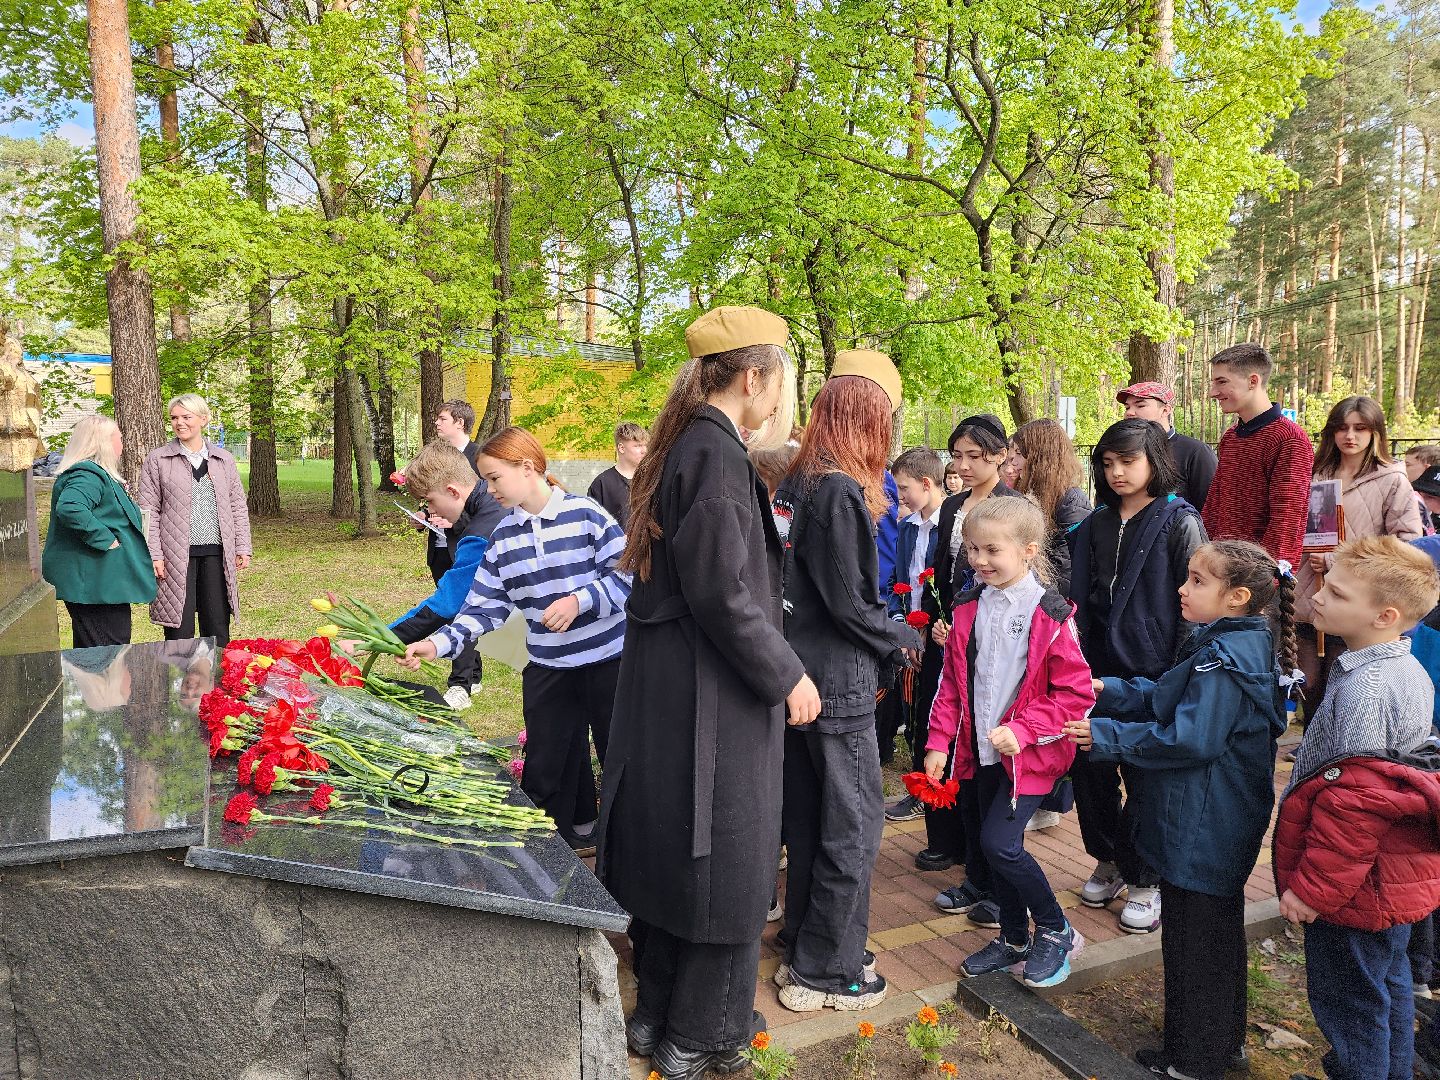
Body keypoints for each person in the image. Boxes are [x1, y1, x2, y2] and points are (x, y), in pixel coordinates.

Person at [595, 307, 818, 1079]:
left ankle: (657, 1017)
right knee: (726, 855)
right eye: (781, 380)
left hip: (669, 684)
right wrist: (787, 674)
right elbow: (726, 595)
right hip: (711, 695)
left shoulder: (686, 446)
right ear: (755, 378)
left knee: (673, 854)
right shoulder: (719, 461)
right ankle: (703, 1035)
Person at [1066, 540, 1291, 1080]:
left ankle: (1196, 1057)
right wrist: (1109, 689)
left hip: (1205, 824)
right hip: (1214, 819)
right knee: (1209, 935)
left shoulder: (1225, 658)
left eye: (1196, 581)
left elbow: (1189, 738)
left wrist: (1103, 734)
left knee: (1199, 942)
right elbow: (1169, 695)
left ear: (1236, 597)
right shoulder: (1227, 643)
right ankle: (1214, 1042)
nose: (1182, 589)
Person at [771, 352, 920, 1013]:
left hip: (799, 676)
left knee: (810, 822)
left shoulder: (795, 481)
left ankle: (806, 944)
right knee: (853, 829)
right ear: (868, 416)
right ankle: (829, 971)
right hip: (838, 685)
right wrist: (903, 640)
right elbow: (850, 603)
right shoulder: (836, 492)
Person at [401, 427, 630, 857]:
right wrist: (436, 646)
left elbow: (628, 578)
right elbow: (482, 608)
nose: (488, 489)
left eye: (493, 478)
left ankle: (625, 859)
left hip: (608, 663)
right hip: (548, 668)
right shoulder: (504, 537)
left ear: (527, 468)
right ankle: (549, 864)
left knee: (620, 761)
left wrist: (579, 601)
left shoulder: (587, 515)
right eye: (484, 479)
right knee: (544, 769)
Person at [1274, 536, 1440, 1080]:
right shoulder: (1405, 668)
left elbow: (1355, 809)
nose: (1318, 596)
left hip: (1355, 885)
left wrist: (1311, 890)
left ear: (1383, 615)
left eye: (1337, 592)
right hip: (1388, 877)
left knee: (1352, 1005)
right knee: (1388, 988)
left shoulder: (1365, 688)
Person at [923, 496, 1093, 988]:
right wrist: (939, 743)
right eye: (973, 549)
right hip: (980, 753)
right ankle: (1015, 936)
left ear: (1027, 550)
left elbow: (1075, 694)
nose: (979, 560)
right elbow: (953, 684)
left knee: (1002, 844)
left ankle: (1057, 929)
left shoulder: (1051, 613)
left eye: (992, 550)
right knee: (987, 842)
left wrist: (1022, 730)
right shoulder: (968, 605)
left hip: (1031, 758)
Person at [1067, 419, 1206, 936]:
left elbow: (1194, 602)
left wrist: (1178, 675)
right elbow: (1078, 597)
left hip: (1154, 671)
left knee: (1146, 777)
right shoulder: (1095, 523)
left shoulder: (1177, 520)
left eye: (1129, 460)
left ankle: (1145, 879)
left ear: (1155, 462)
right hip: (1094, 668)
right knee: (1090, 768)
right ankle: (1107, 857)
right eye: (1108, 462)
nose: (1118, 471)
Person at [911, 413, 1018, 910]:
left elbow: (1020, 581)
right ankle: (955, 846)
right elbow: (942, 572)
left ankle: (993, 876)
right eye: (958, 456)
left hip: (994, 642)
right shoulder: (953, 505)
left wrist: (974, 622)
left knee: (987, 761)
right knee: (945, 739)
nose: (965, 465)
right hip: (949, 636)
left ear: (999, 455)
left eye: (975, 456)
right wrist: (935, 620)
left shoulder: (1014, 506)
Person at [1294, 396, 1421, 707]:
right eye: (1342, 428)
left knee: (1344, 686)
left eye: (1360, 428)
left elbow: (1406, 542)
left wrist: (1338, 559)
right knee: (1305, 684)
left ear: (1375, 432)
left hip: (1355, 596)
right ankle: (1312, 749)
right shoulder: (1314, 474)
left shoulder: (1392, 479)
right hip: (1306, 592)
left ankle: (1341, 755)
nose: (1350, 436)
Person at [380, 441, 502, 710]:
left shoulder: (479, 534)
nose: (431, 512)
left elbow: (448, 604)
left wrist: (381, 638)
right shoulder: (493, 502)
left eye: (431, 501)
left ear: (452, 490)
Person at [138, 394, 251, 648]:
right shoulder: (158, 460)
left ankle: (218, 684)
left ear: (203, 419)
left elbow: (237, 506)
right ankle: (181, 685)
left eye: (186, 417)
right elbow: (148, 511)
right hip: (175, 557)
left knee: (217, 628)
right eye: (174, 418)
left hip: (216, 554)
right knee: (179, 631)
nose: (180, 423)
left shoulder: (223, 460)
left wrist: (242, 546)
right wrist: (153, 553)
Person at [42, 415, 156, 647]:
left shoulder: (94, 473)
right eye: (119, 438)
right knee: (106, 652)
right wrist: (106, 540)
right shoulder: (87, 474)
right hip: (94, 584)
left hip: (100, 583)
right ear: (104, 442)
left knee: (96, 651)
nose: (122, 445)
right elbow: (71, 507)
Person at [1200, 343, 1313, 569]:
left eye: (1221, 382)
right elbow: (1214, 504)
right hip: (1221, 568)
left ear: (1253, 381)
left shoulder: (1289, 439)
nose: (1213, 392)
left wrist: (1268, 580)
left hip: (1258, 579)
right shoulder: (1231, 437)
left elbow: (1288, 520)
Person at [419, 398, 502, 705]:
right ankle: (473, 673)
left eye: (442, 418)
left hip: (465, 544)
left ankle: (461, 683)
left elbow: (482, 508)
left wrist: (452, 523)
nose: (437, 423)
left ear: (459, 422)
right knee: (461, 610)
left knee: (460, 608)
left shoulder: (479, 458)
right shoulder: (438, 458)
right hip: (440, 548)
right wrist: (427, 519)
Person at [881, 446, 946, 781]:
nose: (899, 496)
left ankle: (932, 776)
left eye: (903, 488)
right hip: (911, 631)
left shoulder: (950, 523)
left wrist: (928, 629)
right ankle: (917, 772)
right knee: (912, 702)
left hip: (937, 634)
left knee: (935, 704)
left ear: (925, 483)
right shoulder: (906, 527)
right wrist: (902, 626)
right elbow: (897, 580)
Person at [1009, 419, 1090, 596]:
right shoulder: (1030, 494)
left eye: (1019, 454)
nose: (1013, 461)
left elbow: (1069, 568)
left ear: (1041, 457)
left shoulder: (1072, 501)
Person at [1117, 381, 1218, 511]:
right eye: (1127, 407)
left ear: (1165, 410)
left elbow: (1212, 509)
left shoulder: (1195, 452)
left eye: (1140, 405)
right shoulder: (1119, 450)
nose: (1130, 413)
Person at [587, 422, 648, 528]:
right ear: (621, 448)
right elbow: (593, 526)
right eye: (637, 446)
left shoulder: (651, 480)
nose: (644, 450)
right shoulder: (602, 484)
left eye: (645, 445)